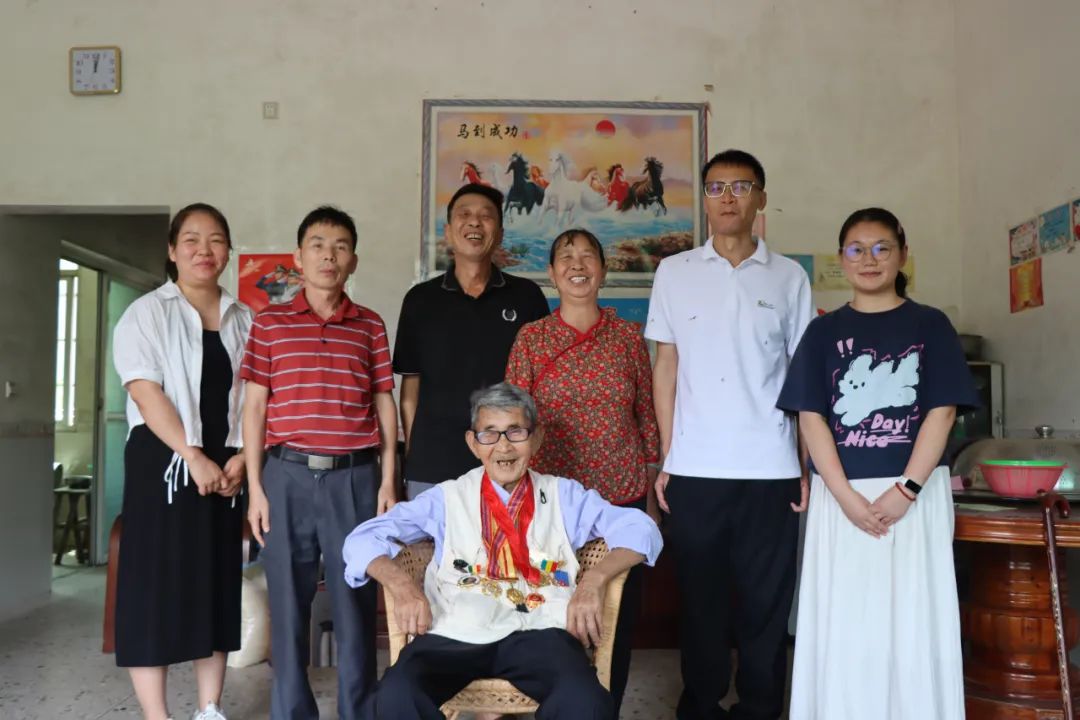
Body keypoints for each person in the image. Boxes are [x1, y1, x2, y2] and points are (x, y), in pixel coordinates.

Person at [343, 383, 663, 720]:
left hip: (540, 631)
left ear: (536, 438)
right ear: (473, 443)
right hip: (456, 630)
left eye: (516, 431)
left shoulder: (563, 496)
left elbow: (642, 529)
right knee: (396, 694)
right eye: (489, 434)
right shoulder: (447, 497)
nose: (504, 446)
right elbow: (361, 539)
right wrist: (402, 585)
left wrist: (594, 580)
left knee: (586, 701)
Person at [777, 208, 977, 719]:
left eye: (882, 248)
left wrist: (906, 489)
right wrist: (844, 496)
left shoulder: (930, 324)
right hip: (841, 498)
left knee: (914, 617)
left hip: (915, 497)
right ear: (841, 259)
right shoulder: (823, 333)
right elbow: (811, 418)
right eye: (857, 249)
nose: (869, 259)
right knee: (845, 620)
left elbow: (942, 411)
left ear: (903, 254)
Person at [645, 149, 814, 720]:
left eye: (741, 186)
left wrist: (803, 464)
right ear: (704, 199)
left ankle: (761, 707)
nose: (728, 198)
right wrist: (668, 456)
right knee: (701, 601)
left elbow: (802, 376)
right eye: (716, 187)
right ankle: (701, 706)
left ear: (761, 197)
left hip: (771, 468)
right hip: (696, 469)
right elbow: (666, 369)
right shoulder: (675, 272)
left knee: (767, 604)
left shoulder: (789, 277)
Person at [241, 206, 397, 720]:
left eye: (340, 247)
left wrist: (388, 478)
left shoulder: (369, 325)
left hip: (355, 477)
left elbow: (384, 401)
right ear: (298, 257)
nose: (329, 256)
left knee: (356, 602)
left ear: (353, 261)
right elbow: (255, 408)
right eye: (318, 245)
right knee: (288, 603)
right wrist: (256, 488)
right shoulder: (269, 324)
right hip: (284, 477)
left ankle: (358, 712)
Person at [505, 227, 661, 715]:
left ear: (603, 271)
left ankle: (606, 708)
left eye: (588, 256)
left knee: (616, 618)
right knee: (551, 616)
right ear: (552, 275)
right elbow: (513, 423)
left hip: (621, 498)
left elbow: (646, 418)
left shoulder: (627, 338)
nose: (578, 264)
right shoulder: (532, 339)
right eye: (566, 257)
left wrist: (651, 497)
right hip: (553, 505)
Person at [112, 203, 252, 720]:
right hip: (164, 464)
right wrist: (191, 454)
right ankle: (158, 715)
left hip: (226, 469)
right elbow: (145, 392)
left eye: (216, 240)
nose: (203, 250)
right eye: (191, 239)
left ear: (228, 252)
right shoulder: (147, 313)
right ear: (172, 250)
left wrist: (243, 457)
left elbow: (257, 399)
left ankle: (209, 709)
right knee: (154, 588)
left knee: (214, 585)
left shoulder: (245, 320)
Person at [394, 183, 549, 499]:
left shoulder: (527, 297)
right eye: (464, 215)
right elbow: (411, 389)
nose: (475, 222)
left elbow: (542, 385)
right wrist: (414, 447)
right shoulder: (419, 300)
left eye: (486, 216)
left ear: (500, 233)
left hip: (506, 460)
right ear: (448, 232)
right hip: (433, 462)